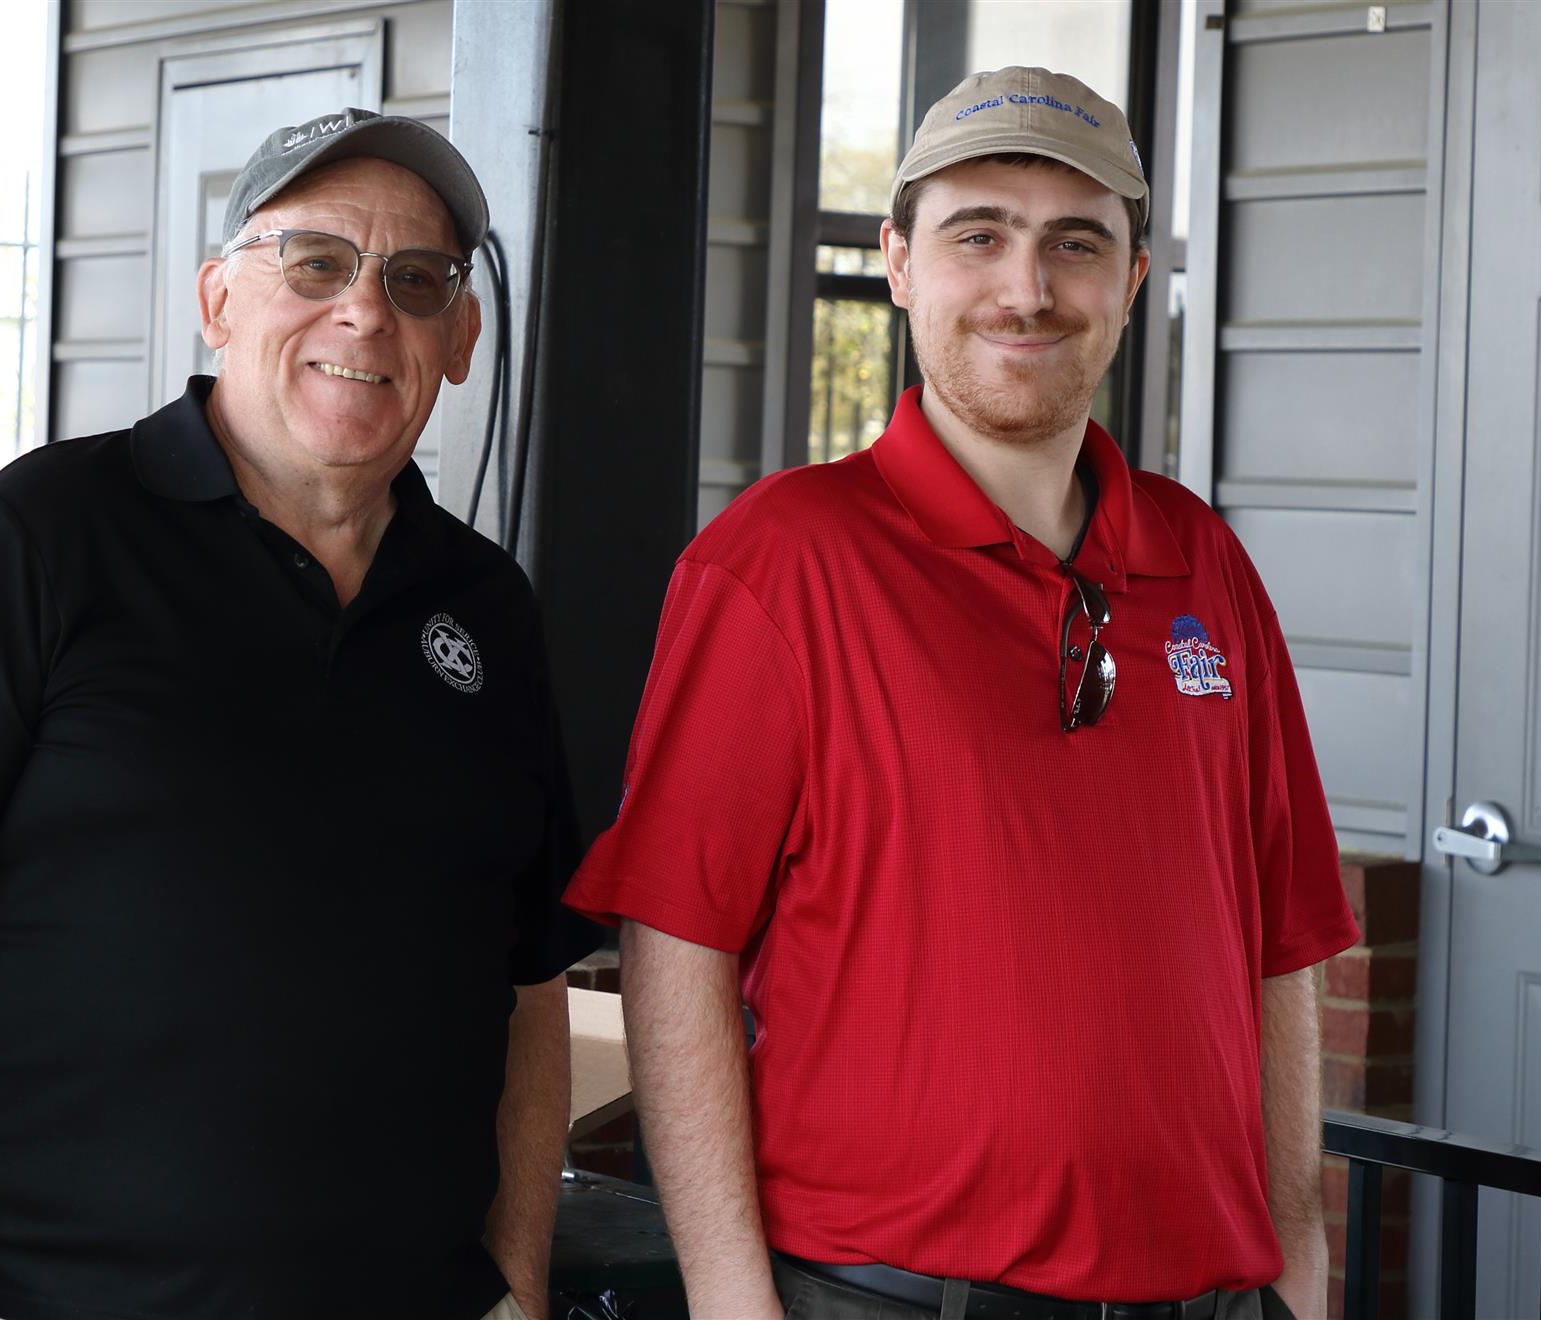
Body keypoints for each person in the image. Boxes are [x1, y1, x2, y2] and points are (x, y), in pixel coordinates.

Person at [0, 108, 600, 1320]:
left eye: (416, 281)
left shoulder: (488, 610)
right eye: (315, 263)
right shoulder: (41, 538)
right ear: (218, 299)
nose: (366, 313)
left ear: (461, 337)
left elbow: (527, 994)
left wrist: (515, 1286)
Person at [565, 67, 1358, 1320]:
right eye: (977, 235)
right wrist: (730, 1302)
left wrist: (1299, 1268)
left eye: (1075, 243)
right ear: (897, 262)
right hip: (888, 1297)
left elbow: (1285, 941)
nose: (1026, 288)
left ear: (1132, 280)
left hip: (1210, 1294)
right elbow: (678, 949)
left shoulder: (1206, 563)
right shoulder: (784, 561)